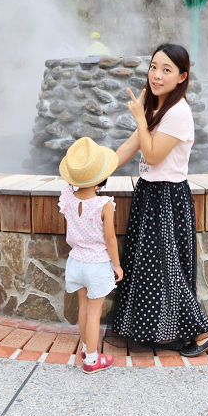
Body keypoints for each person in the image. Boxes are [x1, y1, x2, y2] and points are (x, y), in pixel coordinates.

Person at [110, 43, 208, 357]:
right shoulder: (156, 107)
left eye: (166, 70)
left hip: (168, 198)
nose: (156, 75)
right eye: (154, 67)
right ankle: (168, 332)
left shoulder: (179, 112)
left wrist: (139, 119)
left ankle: (205, 330)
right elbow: (129, 149)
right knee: (149, 269)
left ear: (182, 76)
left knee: (168, 269)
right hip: (149, 193)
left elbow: (153, 154)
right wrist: (93, 170)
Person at [58, 137, 124, 373]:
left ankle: (86, 349)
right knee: (95, 313)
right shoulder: (103, 204)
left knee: (83, 309)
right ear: (101, 178)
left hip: (76, 262)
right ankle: (92, 360)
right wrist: (117, 265)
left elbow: (68, 185)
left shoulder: (67, 198)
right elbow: (110, 239)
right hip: (96, 265)